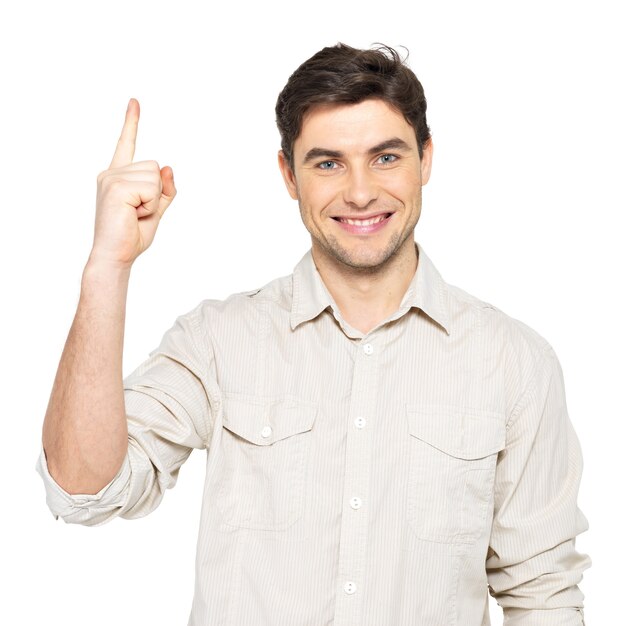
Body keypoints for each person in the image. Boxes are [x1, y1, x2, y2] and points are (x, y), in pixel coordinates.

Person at [37, 43, 590, 625]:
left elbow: (542, 593)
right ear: (289, 175)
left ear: (426, 160)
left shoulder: (513, 361)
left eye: (385, 158)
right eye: (328, 163)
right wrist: (108, 265)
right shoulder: (218, 341)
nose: (358, 193)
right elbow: (83, 490)